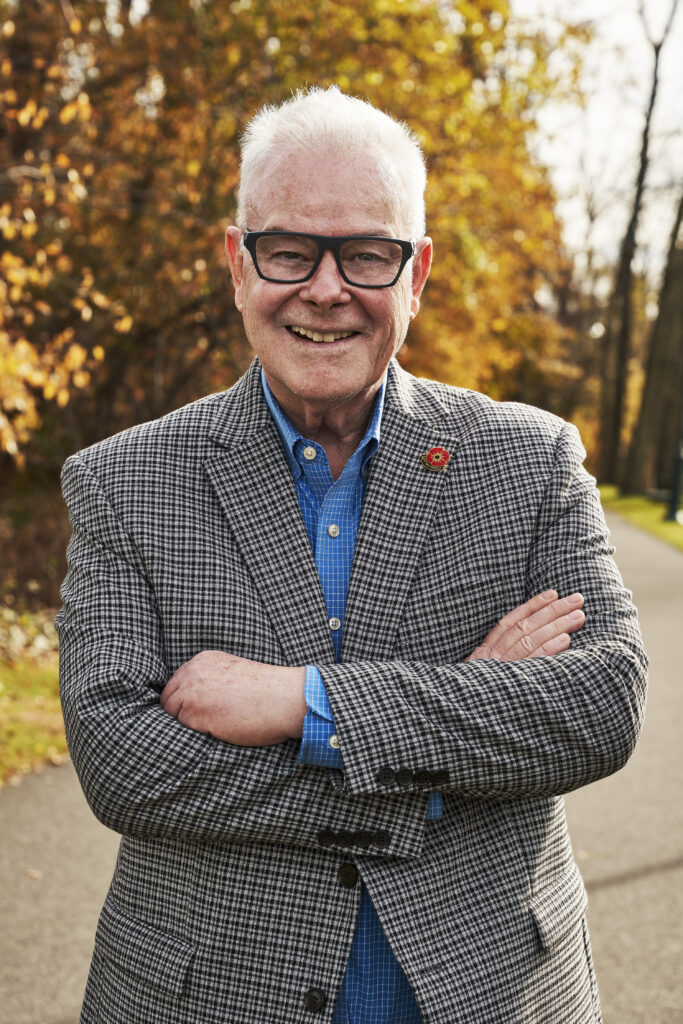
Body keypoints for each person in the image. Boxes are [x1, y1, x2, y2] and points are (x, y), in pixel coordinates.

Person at [57, 86, 647, 1024]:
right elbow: (122, 761)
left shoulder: (529, 458)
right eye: (288, 250)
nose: (324, 290)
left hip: (494, 993)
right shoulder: (126, 481)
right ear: (236, 263)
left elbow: (600, 704)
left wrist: (303, 703)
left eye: (366, 255)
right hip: (204, 998)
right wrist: (448, 745)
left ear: (415, 274)